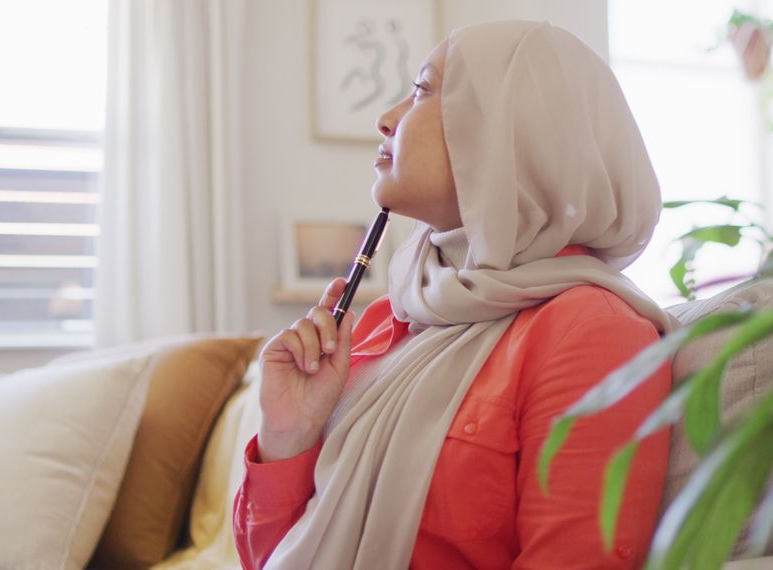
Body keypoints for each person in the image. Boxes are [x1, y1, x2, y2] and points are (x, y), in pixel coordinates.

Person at [233, 20, 675, 570]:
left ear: (509, 129)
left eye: (421, 90)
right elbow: (275, 557)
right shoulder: (381, 319)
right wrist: (288, 435)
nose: (387, 118)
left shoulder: (595, 334)